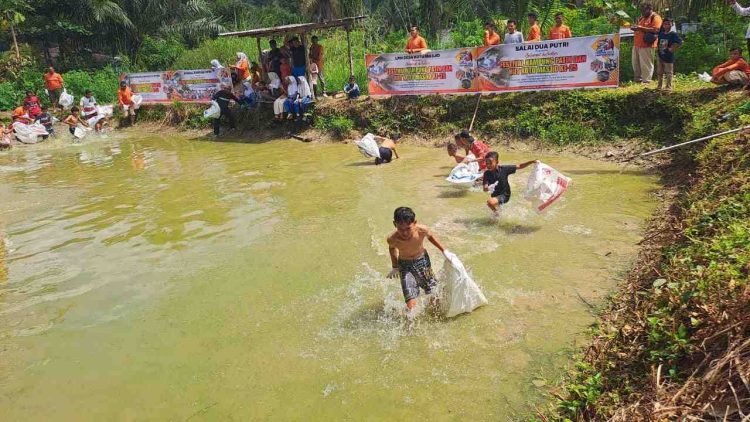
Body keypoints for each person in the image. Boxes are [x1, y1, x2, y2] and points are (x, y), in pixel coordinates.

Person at [386, 207, 450, 311]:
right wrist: (395, 266)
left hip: (423, 262)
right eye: (400, 229)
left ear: (414, 223)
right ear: (395, 224)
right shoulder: (392, 239)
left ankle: (435, 316)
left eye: (408, 228)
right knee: (410, 303)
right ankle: (411, 323)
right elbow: (392, 248)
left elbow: (431, 237)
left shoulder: (422, 230)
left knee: (433, 292)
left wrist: (444, 251)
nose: (405, 233)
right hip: (405, 267)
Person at [483, 152, 537, 217]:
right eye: (487, 163)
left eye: (490, 163)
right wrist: (486, 188)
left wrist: (531, 162)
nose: (488, 165)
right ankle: (499, 216)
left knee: (490, 203)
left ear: (497, 162)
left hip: (504, 194)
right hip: (494, 195)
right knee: (496, 208)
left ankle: (497, 214)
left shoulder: (504, 169)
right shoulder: (486, 173)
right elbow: (485, 187)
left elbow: (519, 166)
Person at [631, 3, 662, 84]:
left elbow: (656, 30)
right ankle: (638, 80)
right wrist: (636, 28)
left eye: (644, 10)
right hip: (637, 45)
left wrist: (641, 28)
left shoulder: (655, 17)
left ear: (649, 9)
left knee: (646, 64)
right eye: (641, 11)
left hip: (647, 45)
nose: (642, 12)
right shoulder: (642, 18)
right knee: (636, 63)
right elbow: (640, 29)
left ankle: (646, 81)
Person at [656, 18, 683, 91]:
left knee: (669, 72)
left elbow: (680, 42)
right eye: (665, 24)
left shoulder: (673, 34)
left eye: (668, 24)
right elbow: (658, 43)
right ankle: (659, 86)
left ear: (672, 25)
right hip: (660, 54)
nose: (667, 25)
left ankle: (668, 86)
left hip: (668, 56)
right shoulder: (661, 34)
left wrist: (672, 49)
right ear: (663, 25)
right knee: (659, 71)